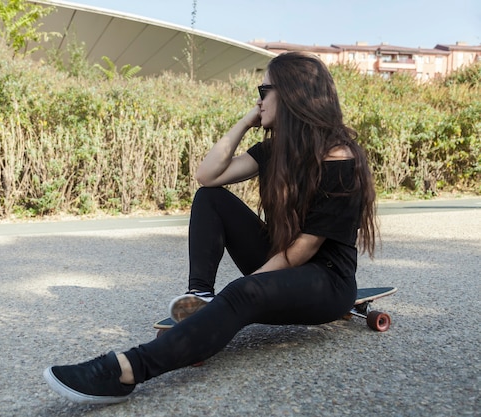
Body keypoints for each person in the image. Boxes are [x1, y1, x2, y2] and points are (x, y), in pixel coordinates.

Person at [43, 52, 378, 405]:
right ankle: (200, 295)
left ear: (293, 94)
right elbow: (208, 175)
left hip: (325, 281)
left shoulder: (341, 161)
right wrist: (248, 121)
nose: (258, 99)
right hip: (281, 258)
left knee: (241, 294)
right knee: (210, 197)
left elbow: (301, 252)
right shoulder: (275, 151)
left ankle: (126, 370)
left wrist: (245, 288)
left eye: (265, 90)